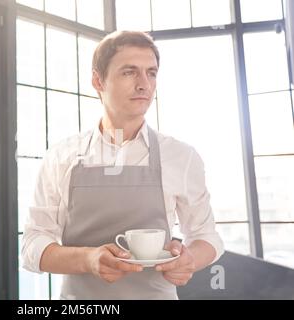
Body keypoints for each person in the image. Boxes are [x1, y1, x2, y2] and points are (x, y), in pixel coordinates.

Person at [21, 30, 224, 300]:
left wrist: (190, 260)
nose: (144, 84)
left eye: (151, 73)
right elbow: (33, 245)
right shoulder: (62, 156)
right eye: (129, 72)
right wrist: (88, 259)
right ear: (98, 81)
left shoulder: (181, 156)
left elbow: (207, 237)